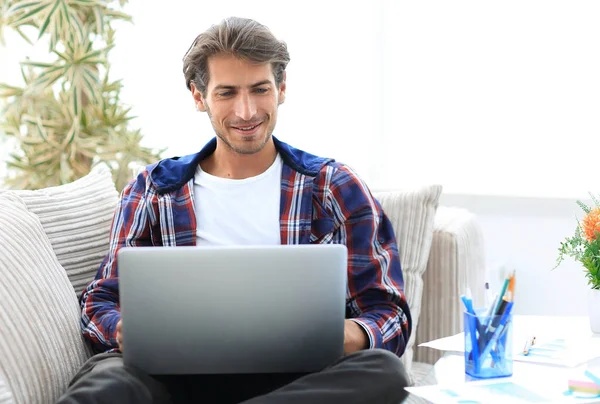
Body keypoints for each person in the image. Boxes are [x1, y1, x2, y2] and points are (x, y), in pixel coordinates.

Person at [57, 16, 411, 404]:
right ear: (198, 96)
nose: (246, 112)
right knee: (108, 381)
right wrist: (124, 329)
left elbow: (388, 313)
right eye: (226, 93)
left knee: (386, 372)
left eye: (260, 89)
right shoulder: (153, 189)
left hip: (295, 381)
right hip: (174, 377)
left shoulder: (334, 186)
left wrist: (341, 334)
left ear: (282, 89)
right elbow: (99, 301)